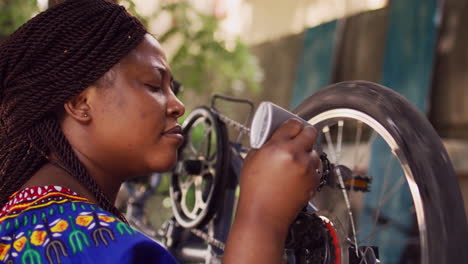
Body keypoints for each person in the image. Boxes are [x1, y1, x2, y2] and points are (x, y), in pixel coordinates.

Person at [0, 0, 320, 263]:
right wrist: (262, 216)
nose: (177, 106)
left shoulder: (22, 226)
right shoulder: (99, 245)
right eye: (154, 85)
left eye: (173, 88)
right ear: (81, 103)